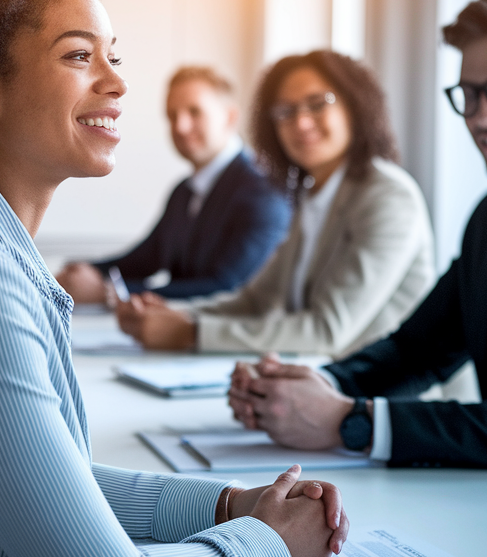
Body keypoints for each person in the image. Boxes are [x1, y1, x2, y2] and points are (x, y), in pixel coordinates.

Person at [0, 0, 348, 557]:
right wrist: (269, 546)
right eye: (80, 56)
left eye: (115, 56)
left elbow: (60, 482)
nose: (117, 83)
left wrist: (233, 503)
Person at [227, 0, 487, 485]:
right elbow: (418, 350)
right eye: (470, 94)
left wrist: (355, 423)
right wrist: (302, 388)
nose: (482, 116)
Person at [116, 50, 435, 359]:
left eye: (317, 104)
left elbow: (327, 330)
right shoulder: (311, 196)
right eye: (285, 111)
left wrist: (191, 332)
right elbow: (254, 301)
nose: (301, 123)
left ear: (354, 105)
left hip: (394, 401)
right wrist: (168, 314)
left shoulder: (388, 194)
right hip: (325, 386)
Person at [55, 65, 290, 302]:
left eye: (194, 112)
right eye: (172, 115)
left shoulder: (263, 191)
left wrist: (108, 293)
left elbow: (224, 287)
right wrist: (80, 271)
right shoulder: (183, 192)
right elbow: (145, 259)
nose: (180, 126)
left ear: (229, 117)